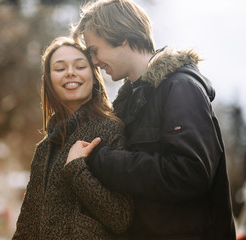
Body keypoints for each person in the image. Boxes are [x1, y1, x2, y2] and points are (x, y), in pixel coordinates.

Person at [67, 0, 236, 239]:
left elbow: (188, 173)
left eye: (95, 50)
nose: (94, 61)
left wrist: (102, 160)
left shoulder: (180, 88)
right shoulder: (126, 105)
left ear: (121, 38)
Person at [12, 36, 133, 240]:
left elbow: (121, 218)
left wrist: (76, 169)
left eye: (79, 66)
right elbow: (28, 222)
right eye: (60, 69)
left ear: (94, 76)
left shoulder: (111, 130)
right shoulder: (45, 147)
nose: (70, 73)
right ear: (49, 81)